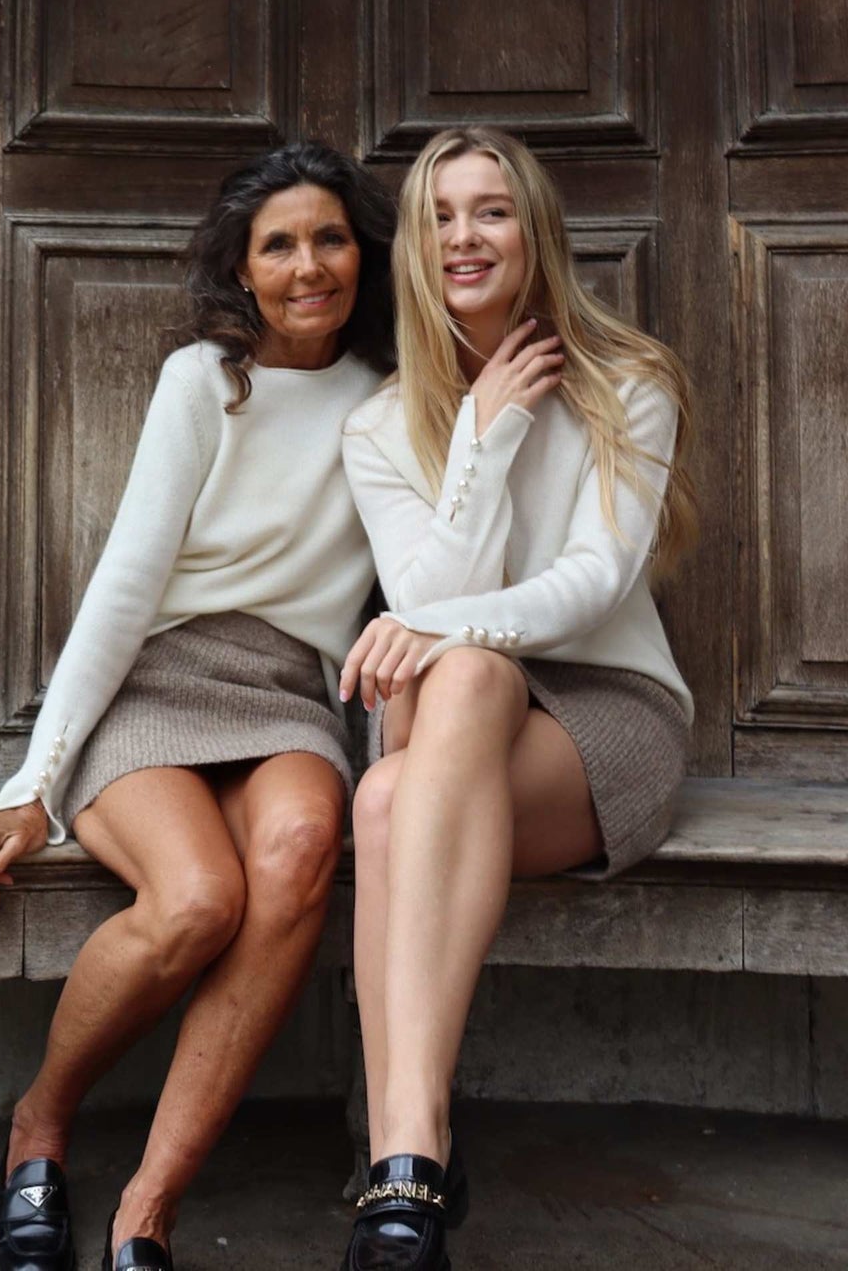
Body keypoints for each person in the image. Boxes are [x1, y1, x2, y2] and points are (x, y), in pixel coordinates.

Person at [0, 142, 395, 1271]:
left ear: (363, 254)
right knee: (196, 901)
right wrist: (34, 785)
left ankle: (148, 1207)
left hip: (288, 693)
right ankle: (39, 1126)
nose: (308, 266)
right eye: (278, 245)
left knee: (300, 846)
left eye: (329, 238)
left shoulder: (393, 398)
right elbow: (126, 587)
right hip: (161, 681)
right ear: (241, 268)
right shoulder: (205, 381)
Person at [335, 125, 697, 1271]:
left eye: (490, 210)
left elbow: (594, 585)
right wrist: (483, 440)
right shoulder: (379, 426)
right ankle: (414, 1157)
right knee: (445, 709)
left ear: (533, 230)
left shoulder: (628, 385)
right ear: (413, 247)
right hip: (457, 709)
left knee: (390, 793)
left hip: (606, 713)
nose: (465, 237)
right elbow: (428, 598)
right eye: (439, 217)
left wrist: (444, 633)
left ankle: (399, 1156)